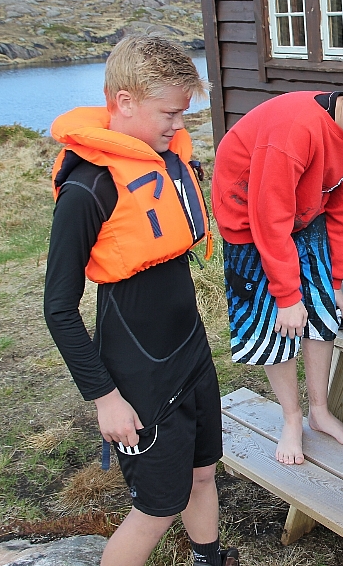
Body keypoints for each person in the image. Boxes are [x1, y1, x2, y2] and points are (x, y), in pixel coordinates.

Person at [43, 37, 238, 566]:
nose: (179, 125)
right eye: (169, 113)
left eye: (183, 112)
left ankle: (209, 560)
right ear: (125, 102)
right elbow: (58, 308)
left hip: (190, 353)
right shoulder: (89, 188)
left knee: (202, 474)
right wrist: (105, 398)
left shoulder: (162, 164)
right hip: (138, 374)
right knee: (157, 508)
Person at [211, 39, 343, 467]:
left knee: (323, 309)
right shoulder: (296, 129)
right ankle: (292, 417)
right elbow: (269, 216)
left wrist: (336, 280)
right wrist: (287, 296)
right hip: (250, 220)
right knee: (276, 321)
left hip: (306, 215)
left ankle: (320, 410)